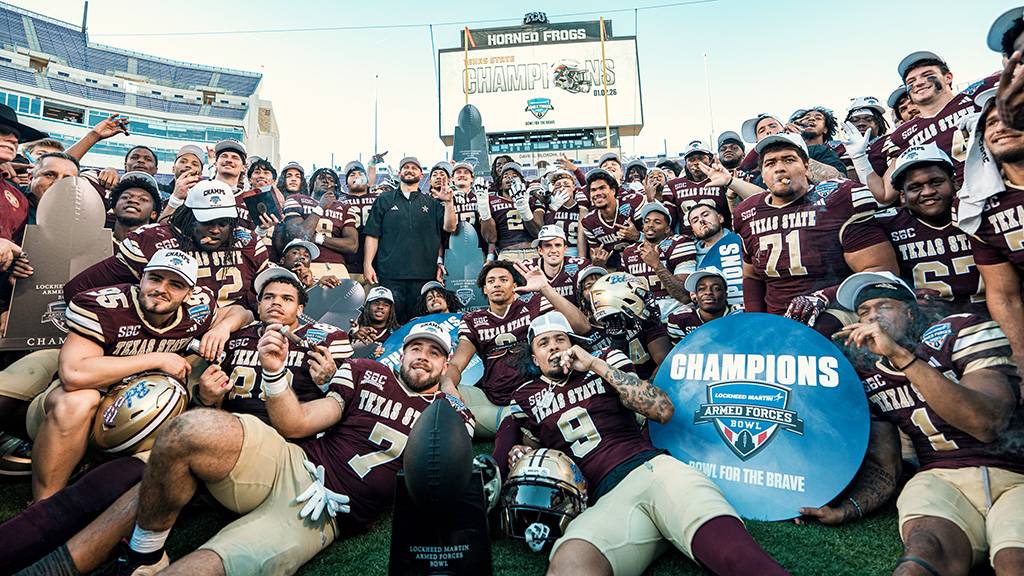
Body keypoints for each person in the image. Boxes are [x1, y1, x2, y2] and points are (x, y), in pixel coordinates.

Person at [108, 321, 471, 575]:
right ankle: (146, 552)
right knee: (187, 428)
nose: (423, 356)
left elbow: (438, 487)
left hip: (324, 511)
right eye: (416, 348)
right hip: (289, 461)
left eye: (435, 353)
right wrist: (274, 372)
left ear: (445, 364)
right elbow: (295, 423)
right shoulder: (364, 371)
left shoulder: (451, 415)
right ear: (403, 354)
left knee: (206, 566)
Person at [493, 311, 789, 576]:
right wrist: (522, 453)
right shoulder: (523, 397)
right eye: (544, 343)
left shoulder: (604, 360)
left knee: (737, 557)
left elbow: (662, 409)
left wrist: (596, 364)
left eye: (560, 338)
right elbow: (526, 450)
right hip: (605, 500)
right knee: (570, 566)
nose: (554, 346)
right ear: (534, 358)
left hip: (655, 471)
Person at [800, 271, 1023, 576]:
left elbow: (986, 424)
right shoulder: (869, 374)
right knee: (922, 554)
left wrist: (901, 358)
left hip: (1016, 477)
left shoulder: (961, 329)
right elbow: (884, 467)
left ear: (910, 311)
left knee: (1014, 561)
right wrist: (845, 510)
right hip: (941, 478)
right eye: (864, 312)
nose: (872, 318)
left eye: (883, 306)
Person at [29, 250, 224, 500]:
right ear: (141, 279)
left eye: (175, 284)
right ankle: (43, 505)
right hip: (70, 412)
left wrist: (222, 330)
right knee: (79, 400)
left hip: (132, 410)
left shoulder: (198, 308)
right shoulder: (105, 305)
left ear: (189, 293)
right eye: (155, 279)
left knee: (171, 402)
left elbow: (239, 312)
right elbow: (73, 374)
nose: (161, 289)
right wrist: (157, 358)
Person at [731, 133, 897, 329]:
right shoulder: (748, 212)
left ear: (807, 167)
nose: (780, 168)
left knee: (821, 328)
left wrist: (824, 297)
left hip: (836, 309)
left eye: (789, 159)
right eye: (770, 163)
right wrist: (755, 320)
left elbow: (882, 270)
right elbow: (752, 276)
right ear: (763, 176)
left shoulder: (837, 198)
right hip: (777, 318)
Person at [65, 179, 270, 313]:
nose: (215, 230)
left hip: (227, 340)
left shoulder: (247, 241)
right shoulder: (152, 241)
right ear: (188, 216)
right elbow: (77, 290)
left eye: (223, 223)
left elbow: (259, 301)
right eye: (206, 222)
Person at [442, 260, 590, 439]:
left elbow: (582, 327)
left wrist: (545, 288)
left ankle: (513, 427)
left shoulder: (533, 305)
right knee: (438, 397)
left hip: (535, 395)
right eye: (491, 281)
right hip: (492, 400)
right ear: (485, 290)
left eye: (503, 279)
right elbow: (456, 364)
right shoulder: (474, 319)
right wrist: (448, 385)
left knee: (514, 419)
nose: (496, 284)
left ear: (515, 285)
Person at [867, 51, 998, 198]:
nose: (918, 83)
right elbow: (885, 194)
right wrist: (859, 159)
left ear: (948, 77)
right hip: (957, 206)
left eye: (927, 74)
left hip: (1004, 187)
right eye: (911, 82)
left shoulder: (976, 96)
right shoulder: (904, 133)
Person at [876, 144, 985, 314]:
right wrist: (904, 296)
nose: (927, 192)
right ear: (902, 196)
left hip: (992, 316)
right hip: (929, 328)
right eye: (915, 187)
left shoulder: (980, 212)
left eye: (936, 182)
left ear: (954, 183)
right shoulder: (886, 224)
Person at [962, 98, 1024, 379]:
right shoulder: (980, 206)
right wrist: (1022, 363)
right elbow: (1004, 294)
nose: (1001, 127)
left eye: (1012, 117)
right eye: (991, 123)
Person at [363, 156, 456, 322]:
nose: (410, 170)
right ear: (399, 173)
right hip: (390, 274)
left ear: (421, 175)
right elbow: (372, 234)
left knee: (420, 323)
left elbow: (450, 228)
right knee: (392, 323)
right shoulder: (384, 199)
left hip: (424, 274)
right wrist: (367, 264)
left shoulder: (432, 203)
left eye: (414, 168)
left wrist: (449, 203)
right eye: (406, 167)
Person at [620, 202, 695, 321]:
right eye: (647, 221)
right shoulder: (629, 252)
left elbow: (684, 296)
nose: (650, 225)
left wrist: (656, 264)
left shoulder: (679, 243)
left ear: (667, 229)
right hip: (644, 317)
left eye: (657, 222)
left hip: (677, 313)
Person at [580, 168, 644, 270]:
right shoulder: (589, 222)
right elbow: (596, 255)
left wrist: (638, 236)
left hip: (644, 264)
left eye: (602, 188)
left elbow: (660, 239)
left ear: (613, 190)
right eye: (593, 190)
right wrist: (598, 263)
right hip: (616, 270)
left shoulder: (634, 203)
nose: (597, 193)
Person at [478, 161, 543, 260]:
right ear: (500, 185)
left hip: (531, 251)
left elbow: (538, 232)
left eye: (515, 175)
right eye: (505, 176)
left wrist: (524, 209)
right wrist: (483, 208)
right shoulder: (491, 201)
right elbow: (491, 238)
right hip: (507, 252)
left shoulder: (531, 200)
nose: (510, 177)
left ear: (522, 182)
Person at [663, 140, 732, 229]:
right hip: (686, 239)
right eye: (691, 160)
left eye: (701, 158)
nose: (696, 162)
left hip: (719, 236)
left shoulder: (722, 180)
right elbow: (669, 222)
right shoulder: (672, 185)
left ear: (710, 160)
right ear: (686, 163)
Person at [666, 267, 743, 342]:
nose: (708, 292)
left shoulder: (740, 316)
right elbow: (676, 353)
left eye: (716, 288)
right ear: (694, 295)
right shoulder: (680, 320)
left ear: (725, 295)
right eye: (701, 289)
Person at [339, 161, 382, 283]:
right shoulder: (340, 201)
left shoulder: (379, 198)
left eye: (360, 174)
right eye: (352, 175)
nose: (357, 177)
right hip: (349, 260)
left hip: (377, 261)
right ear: (346, 183)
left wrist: (372, 165)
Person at [531, 225, 589, 306]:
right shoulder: (527, 269)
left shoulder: (580, 265)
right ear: (540, 250)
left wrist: (600, 264)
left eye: (558, 245)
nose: (554, 250)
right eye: (548, 245)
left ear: (565, 249)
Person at [108, 172, 162, 246]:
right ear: (114, 208)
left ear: (153, 214)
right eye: (125, 197)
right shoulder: (94, 240)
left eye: (143, 199)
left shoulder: (160, 251)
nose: (133, 201)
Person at [543, 169, 583, 256]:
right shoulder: (549, 206)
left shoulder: (581, 206)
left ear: (574, 187)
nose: (562, 188)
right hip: (556, 252)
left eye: (566, 185)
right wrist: (553, 208)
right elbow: (546, 228)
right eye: (558, 186)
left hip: (579, 250)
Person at [351, 285, 400, 357]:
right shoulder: (354, 328)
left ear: (391, 310)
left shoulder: (398, 333)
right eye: (376, 303)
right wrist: (353, 336)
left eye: (386, 305)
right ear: (367, 306)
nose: (380, 307)